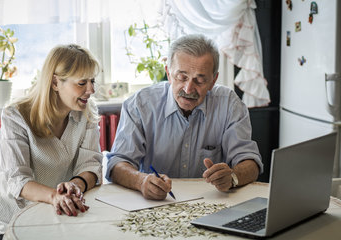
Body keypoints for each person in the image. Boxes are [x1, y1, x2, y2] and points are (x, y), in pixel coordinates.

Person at [106, 34, 263, 200]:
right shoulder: (140, 104)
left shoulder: (229, 104)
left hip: (210, 201)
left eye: (200, 80)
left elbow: (250, 162)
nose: (188, 89)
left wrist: (232, 176)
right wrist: (141, 181)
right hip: (154, 203)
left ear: (213, 81)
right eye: (181, 77)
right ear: (168, 72)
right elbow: (117, 164)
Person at [0, 44, 103, 239]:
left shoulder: (86, 111)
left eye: (92, 81)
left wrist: (74, 186)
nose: (91, 90)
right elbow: (18, 180)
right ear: (55, 83)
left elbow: (91, 164)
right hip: (16, 217)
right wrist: (54, 196)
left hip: (61, 212)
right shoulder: (16, 115)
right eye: (82, 83)